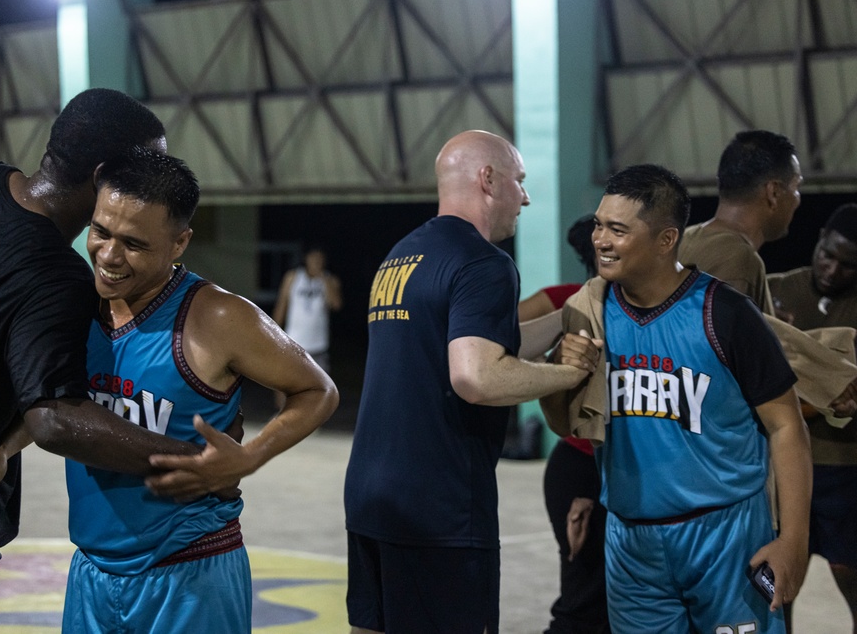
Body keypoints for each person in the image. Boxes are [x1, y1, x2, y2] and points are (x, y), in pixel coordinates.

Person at [0, 89, 233, 633]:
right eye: (142, 168)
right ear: (104, 176)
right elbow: (55, 418)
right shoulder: (56, 276)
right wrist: (198, 464)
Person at [60, 146, 338, 632]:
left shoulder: (218, 317)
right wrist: (0, 453)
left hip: (190, 572)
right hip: (91, 572)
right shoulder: (74, 307)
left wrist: (251, 456)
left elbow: (318, 390)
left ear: (179, 242)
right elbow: (53, 402)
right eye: (100, 231)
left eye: (134, 243)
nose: (108, 255)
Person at [343, 129, 600, 634]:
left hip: (372, 493)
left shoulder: (402, 256)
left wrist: (572, 313)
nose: (525, 197)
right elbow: (476, 376)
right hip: (440, 507)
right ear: (488, 179)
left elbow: (477, 344)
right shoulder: (484, 263)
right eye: (519, 181)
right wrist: (568, 374)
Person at [555, 164, 811, 633]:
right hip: (631, 542)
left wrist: (793, 537)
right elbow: (569, 423)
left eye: (617, 229)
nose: (600, 240)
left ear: (666, 239)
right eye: (598, 224)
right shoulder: (589, 313)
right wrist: (559, 366)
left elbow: (786, 425)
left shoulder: (725, 313)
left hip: (726, 535)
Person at [517, 214, 611, 634]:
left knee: (614, 599)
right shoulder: (569, 300)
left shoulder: (646, 306)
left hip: (619, 469)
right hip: (581, 467)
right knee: (584, 601)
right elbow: (496, 333)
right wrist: (547, 371)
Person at [768, 203, 857, 633]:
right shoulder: (774, 292)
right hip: (782, 470)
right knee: (776, 589)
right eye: (829, 254)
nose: (833, 268)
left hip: (845, 471)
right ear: (819, 237)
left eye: (848, 265)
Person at [679, 129, 802, 315]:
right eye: (796, 186)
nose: (797, 198)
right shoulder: (739, 259)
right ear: (774, 192)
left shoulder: (684, 239)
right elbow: (717, 340)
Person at [272, 245, 342, 374]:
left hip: (318, 346)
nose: (316, 261)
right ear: (306, 258)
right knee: (285, 382)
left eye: (320, 258)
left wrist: (323, 278)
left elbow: (336, 304)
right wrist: (273, 334)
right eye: (313, 257)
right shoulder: (293, 277)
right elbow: (281, 305)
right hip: (293, 342)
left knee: (318, 387)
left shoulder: (330, 279)